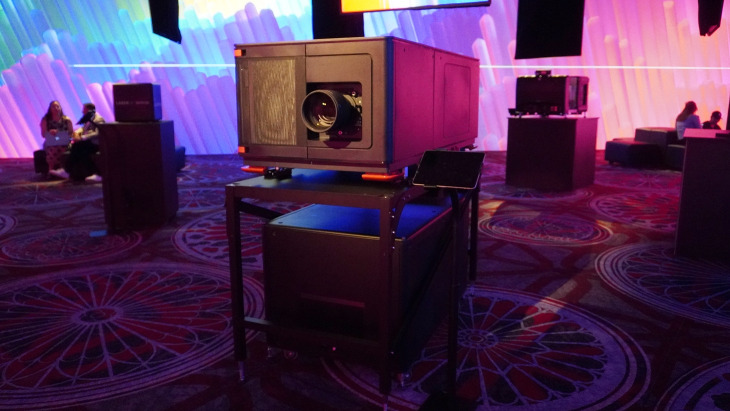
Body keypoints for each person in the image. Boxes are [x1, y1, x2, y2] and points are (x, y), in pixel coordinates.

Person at [64, 102, 106, 182]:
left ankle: (67, 170)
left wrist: (82, 137)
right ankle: (76, 174)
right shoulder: (89, 118)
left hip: (95, 144)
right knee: (80, 152)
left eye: (84, 109)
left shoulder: (98, 119)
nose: (82, 111)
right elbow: (84, 129)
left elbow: (97, 133)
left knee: (77, 146)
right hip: (89, 143)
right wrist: (76, 133)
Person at [40, 101, 74, 178]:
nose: (56, 108)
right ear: (50, 108)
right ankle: (51, 170)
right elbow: (43, 134)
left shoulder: (67, 119)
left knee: (63, 146)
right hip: (51, 141)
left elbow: (71, 133)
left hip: (64, 141)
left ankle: (62, 169)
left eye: (57, 106)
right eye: (53, 106)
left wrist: (62, 133)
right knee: (52, 147)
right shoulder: (45, 120)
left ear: (60, 108)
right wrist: (49, 132)